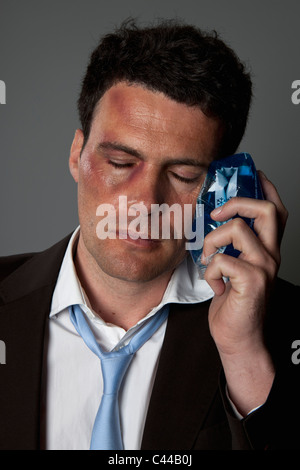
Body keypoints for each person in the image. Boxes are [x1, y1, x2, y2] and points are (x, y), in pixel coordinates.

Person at [0, 19, 299, 451]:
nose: (144, 204)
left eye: (182, 174)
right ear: (76, 154)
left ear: (222, 185)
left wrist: (243, 355)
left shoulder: (281, 330)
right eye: (120, 162)